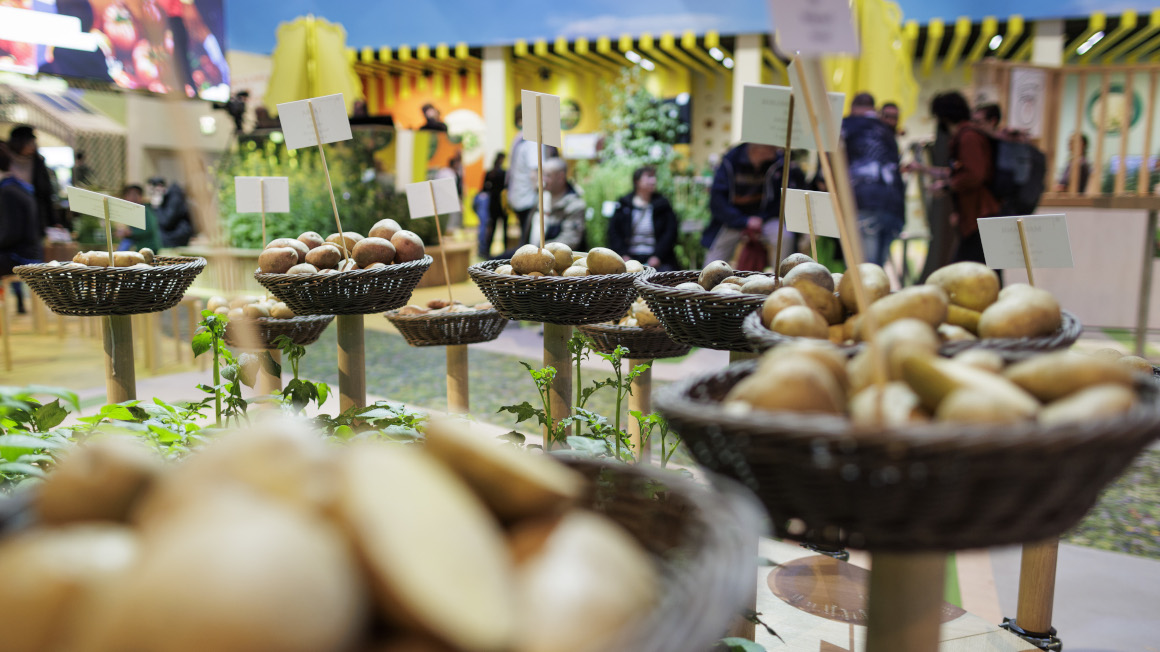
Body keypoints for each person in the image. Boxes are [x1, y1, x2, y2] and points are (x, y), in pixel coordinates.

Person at [702, 143, 802, 266]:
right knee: (714, 258)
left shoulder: (779, 164)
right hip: (733, 220)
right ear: (757, 147)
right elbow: (717, 202)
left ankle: (783, 278)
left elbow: (780, 201)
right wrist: (744, 221)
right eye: (771, 147)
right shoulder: (730, 162)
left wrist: (761, 218)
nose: (777, 149)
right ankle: (707, 280)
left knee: (785, 237)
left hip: (765, 219)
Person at [930, 91, 999, 265]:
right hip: (977, 218)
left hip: (980, 217)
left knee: (968, 271)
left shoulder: (968, 137)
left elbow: (974, 174)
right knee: (984, 272)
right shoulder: (967, 135)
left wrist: (948, 186)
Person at [842, 92, 905, 267]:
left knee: (864, 272)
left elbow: (827, 171)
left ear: (853, 108)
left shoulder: (845, 126)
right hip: (894, 207)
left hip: (863, 201)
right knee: (877, 271)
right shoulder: (887, 130)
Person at [608, 166, 679, 271]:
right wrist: (623, 255)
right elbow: (614, 232)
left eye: (654, 177)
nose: (653, 180)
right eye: (649, 177)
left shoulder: (663, 204)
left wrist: (658, 256)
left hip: (657, 259)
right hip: (629, 257)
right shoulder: (624, 204)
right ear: (637, 181)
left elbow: (670, 232)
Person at [0, 145, 44, 313]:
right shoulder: (17, 187)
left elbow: (11, 234)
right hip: (28, 252)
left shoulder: (7, 192)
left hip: (22, 255)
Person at [507, 105, 548, 249]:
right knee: (529, 242)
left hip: (517, 196)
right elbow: (534, 173)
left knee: (525, 238)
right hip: (527, 198)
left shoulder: (518, 138)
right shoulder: (532, 140)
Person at [7, 126, 60, 231]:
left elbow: (46, 194)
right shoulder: (5, 160)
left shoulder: (38, 163)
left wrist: (54, 221)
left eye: (33, 142)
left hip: (35, 218)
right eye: (29, 142)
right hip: (9, 216)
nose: (32, 146)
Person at [528, 159, 585, 250]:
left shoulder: (574, 205)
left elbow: (570, 240)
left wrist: (540, 249)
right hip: (531, 252)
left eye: (548, 175)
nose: (543, 179)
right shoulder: (541, 197)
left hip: (552, 258)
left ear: (560, 178)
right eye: (542, 174)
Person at [115, 185, 163, 252]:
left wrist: (129, 233)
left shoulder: (144, 210)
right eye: (129, 195)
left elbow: (149, 228)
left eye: (135, 195)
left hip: (149, 248)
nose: (132, 198)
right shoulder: (134, 211)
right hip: (140, 247)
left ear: (140, 196)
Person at [148, 177, 194, 247]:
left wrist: (156, 207)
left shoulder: (174, 198)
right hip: (172, 234)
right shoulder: (168, 197)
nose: (152, 195)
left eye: (153, 192)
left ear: (159, 187)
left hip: (177, 236)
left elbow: (166, 222)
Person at [478, 152, 509, 257]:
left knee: (494, 228)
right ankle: (502, 251)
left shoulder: (492, 173)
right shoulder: (502, 173)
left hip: (496, 204)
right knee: (498, 228)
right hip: (500, 204)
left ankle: (487, 251)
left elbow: (484, 188)